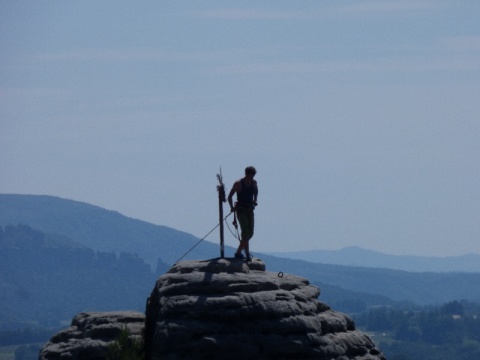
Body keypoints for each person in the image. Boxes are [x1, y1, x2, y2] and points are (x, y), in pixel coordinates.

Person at [228, 166, 258, 261]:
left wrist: (255, 200)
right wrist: (232, 207)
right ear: (246, 174)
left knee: (251, 232)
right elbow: (230, 196)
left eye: (253, 175)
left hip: (250, 209)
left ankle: (238, 252)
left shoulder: (254, 183)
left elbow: (256, 191)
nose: (252, 177)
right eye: (250, 175)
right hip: (241, 209)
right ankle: (247, 254)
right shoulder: (238, 183)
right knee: (245, 231)